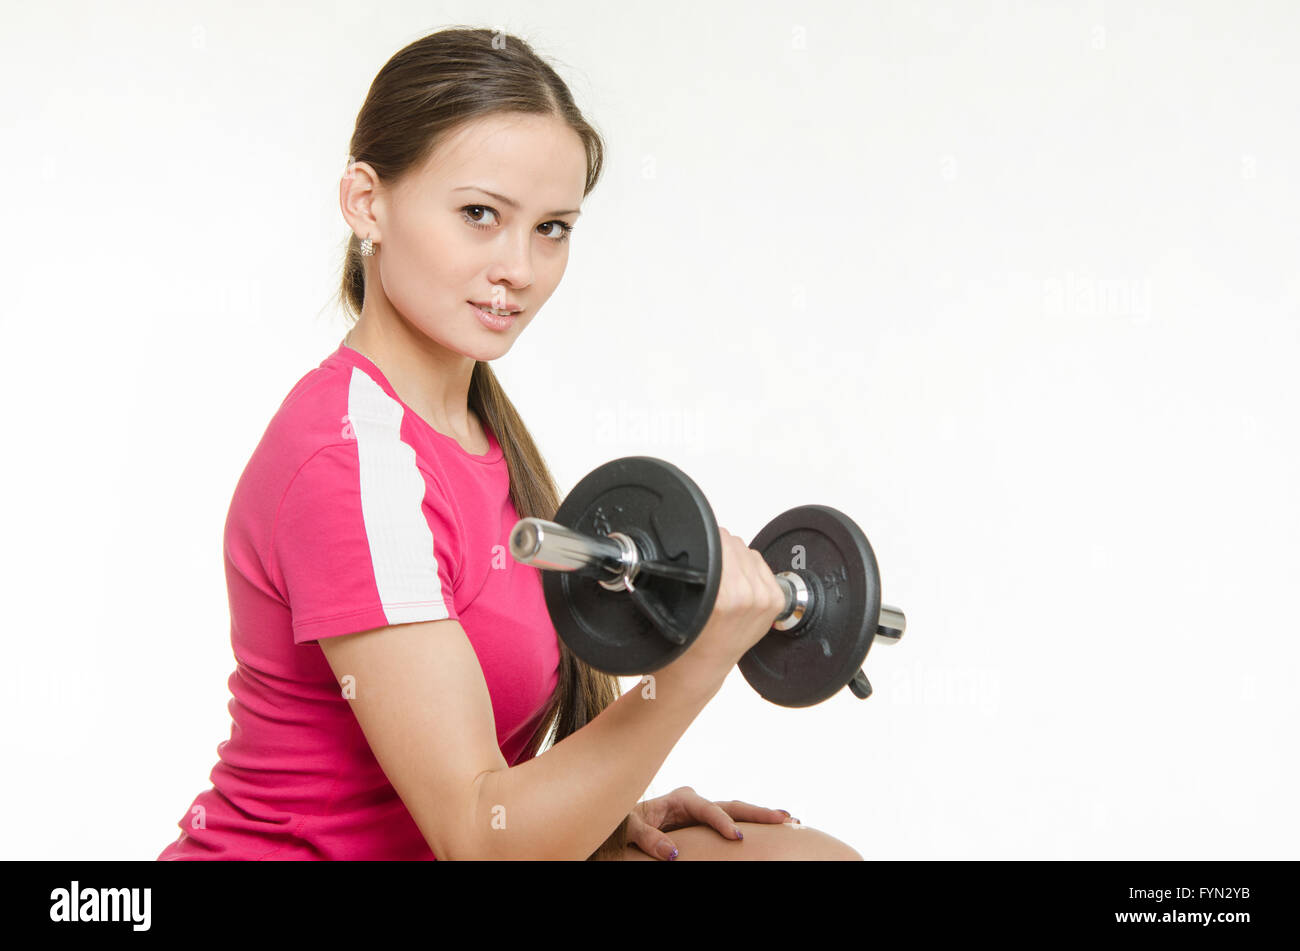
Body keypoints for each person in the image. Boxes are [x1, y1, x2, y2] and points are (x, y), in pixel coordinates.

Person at [158, 26, 862, 861]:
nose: (519, 268)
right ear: (365, 202)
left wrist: (601, 807)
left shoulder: (484, 435)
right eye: (480, 215)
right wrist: (691, 669)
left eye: (552, 228)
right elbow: (478, 836)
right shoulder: (350, 458)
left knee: (800, 857)